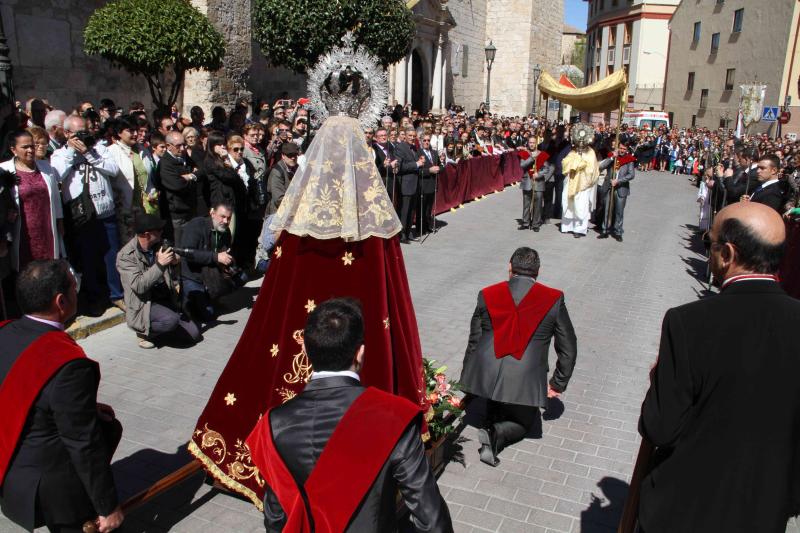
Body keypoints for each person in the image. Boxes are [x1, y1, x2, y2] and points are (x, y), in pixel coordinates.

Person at [637, 202, 800, 533]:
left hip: (684, 507)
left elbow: (660, 428)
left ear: (726, 253)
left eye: (707, 243)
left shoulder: (688, 322)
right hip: (765, 509)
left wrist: (658, 383)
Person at [246, 298, 453, 533]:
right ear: (361, 352)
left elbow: (276, 517)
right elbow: (434, 522)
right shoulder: (394, 417)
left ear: (303, 348)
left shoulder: (273, 424)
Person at [0, 260, 124, 533]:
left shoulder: (5, 332)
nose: (76, 291)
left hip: (9, 470)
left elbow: (27, 395)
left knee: (107, 425)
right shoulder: (68, 364)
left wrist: (87, 408)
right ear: (61, 301)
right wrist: (108, 506)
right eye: (73, 286)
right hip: (47, 489)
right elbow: (82, 441)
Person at [459, 247, 577, 466]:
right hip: (525, 377)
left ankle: (491, 414)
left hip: (486, 372)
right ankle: (496, 434)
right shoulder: (554, 299)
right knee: (524, 422)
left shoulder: (487, 293)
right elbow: (568, 346)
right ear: (538, 272)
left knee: (494, 405)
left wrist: (468, 381)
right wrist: (558, 384)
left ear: (509, 267)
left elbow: (474, 339)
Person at [51, 115, 124, 316]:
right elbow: (56, 174)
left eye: (86, 131)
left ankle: (116, 295)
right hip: (82, 217)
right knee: (89, 260)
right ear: (66, 134)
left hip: (104, 212)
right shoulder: (59, 154)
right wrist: (72, 152)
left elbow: (113, 170)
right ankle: (94, 298)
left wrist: (89, 153)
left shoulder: (100, 148)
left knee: (111, 257)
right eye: (77, 134)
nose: (83, 136)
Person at [116, 214, 200, 349]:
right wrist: (160, 265)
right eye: (159, 230)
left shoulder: (158, 244)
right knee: (171, 321)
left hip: (165, 297)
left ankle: (166, 326)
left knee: (194, 335)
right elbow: (139, 286)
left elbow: (176, 261)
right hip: (145, 303)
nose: (162, 232)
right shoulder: (125, 256)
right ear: (148, 234)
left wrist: (174, 262)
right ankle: (144, 332)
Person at [0, 130, 64, 274]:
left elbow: (55, 197)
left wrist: (60, 220)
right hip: (22, 230)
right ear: (13, 149)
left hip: (47, 228)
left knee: (49, 270)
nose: (30, 150)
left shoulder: (46, 167)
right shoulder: (4, 170)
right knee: (26, 271)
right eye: (25, 147)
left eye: (32, 146)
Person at [177, 202, 237, 324]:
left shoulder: (225, 232)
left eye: (229, 218)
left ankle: (211, 297)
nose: (226, 221)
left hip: (210, 272)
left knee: (238, 279)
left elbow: (224, 254)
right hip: (192, 275)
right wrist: (216, 257)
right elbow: (188, 255)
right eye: (222, 216)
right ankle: (186, 300)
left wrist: (227, 264)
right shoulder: (197, 225)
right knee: (207, 315)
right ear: (212, 213)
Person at [158, 130, 197, 244]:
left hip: (189, 209)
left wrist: (189, 176)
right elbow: (178, 185)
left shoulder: (184, 158)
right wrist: (191, 176)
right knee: (180, 246)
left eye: (183, 144)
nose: (183, 148)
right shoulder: (165, 164)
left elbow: (199, 171)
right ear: (168, 146)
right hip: (177, 213)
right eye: (178, 145)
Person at [597, 143, 635, 242]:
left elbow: (631, 175)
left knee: (619, 211)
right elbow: (601, 167)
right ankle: (605, 230)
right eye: (621, 148)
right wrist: (611, 158)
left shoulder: (629, 159)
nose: (622, 150)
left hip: (621, 188)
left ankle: (618, 231)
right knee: (607, 210)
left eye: (624, 149)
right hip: (609, 187)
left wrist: (618, 181)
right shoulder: (612, 156)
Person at [395, 128, 426, 243]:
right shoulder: (400, 147)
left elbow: (417, 163)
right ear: (405, 136)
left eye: (414, 136)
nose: (412, 138)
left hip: (415, 184)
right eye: (410, 136)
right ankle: (401, 235)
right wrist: (416, 164)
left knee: (411, 210)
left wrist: (421, 161)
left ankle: (408, 233)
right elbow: (400, 167)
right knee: (404, 211)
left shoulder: (415, 147)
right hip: (406, 184)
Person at [265, 142, 299, 217]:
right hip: (277, 214)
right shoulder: (277, 172)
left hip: (292, 212)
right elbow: (279, 199)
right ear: (283, 156)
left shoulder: (297, 168)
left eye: (295, 155)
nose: (293, 158)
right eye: (290, 155)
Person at [416, 134, 441, 235]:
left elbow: (440, 165)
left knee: (429, 208)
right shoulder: (417, 153)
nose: (426, 142)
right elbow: (417, 170)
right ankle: (420, 228)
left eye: (428, 140)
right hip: (423, 184)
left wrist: (439, 169)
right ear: (421, 141)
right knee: (421, 208)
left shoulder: (434, 153)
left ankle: (427, 225)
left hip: (433, 184)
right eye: (424, 140)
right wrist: (429, 171)